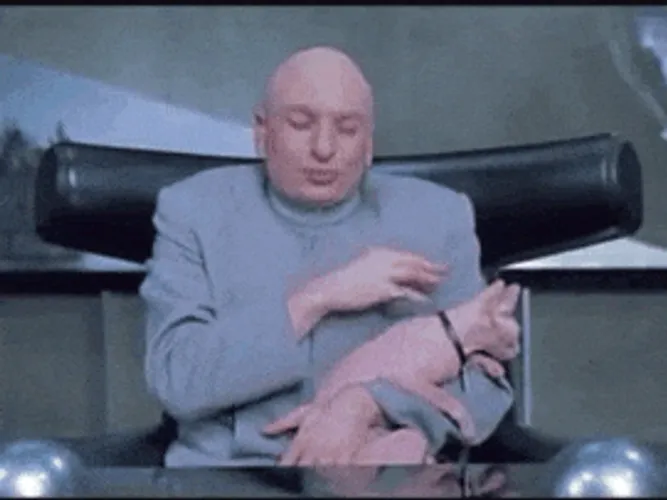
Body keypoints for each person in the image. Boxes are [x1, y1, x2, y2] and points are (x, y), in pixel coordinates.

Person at [140, 45, 520, 467]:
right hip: (233, 474)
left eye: (348, 128)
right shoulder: (194, 210)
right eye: (301, 124)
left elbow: (486, 387)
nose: (324, 148)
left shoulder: (438, 215)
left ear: (369, 143)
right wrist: (318, 298)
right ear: (262, 131)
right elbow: (178, 381)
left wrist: (369, 406)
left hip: (387, 473)